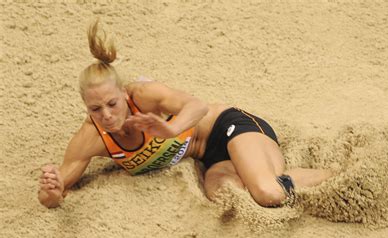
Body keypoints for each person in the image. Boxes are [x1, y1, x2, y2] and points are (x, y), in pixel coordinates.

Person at [38, 20, 333, 209]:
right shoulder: (92, 137)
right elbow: (57, 188)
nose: (106, 114)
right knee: (227, 198)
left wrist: (170, 128)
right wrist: (52, 193)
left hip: (228, 127)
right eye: (95, 109)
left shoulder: (144, 95)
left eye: (112, 104)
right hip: (212, 160)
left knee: (268, 193)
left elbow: (198, 106)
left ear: (124, 95)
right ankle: (268, 175)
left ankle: (345, 178)